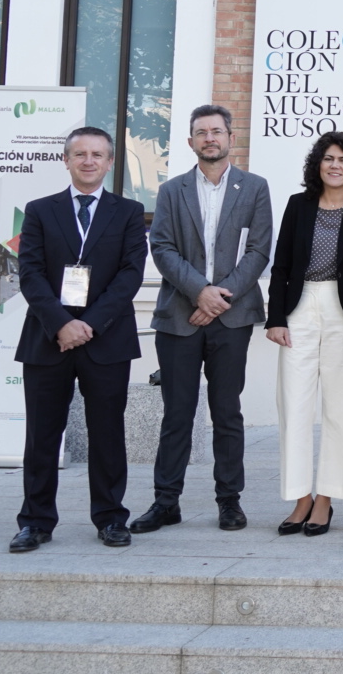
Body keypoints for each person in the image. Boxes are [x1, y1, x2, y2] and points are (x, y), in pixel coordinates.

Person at [132, 105, 272, 534]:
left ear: (231, 137)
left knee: (227, 411)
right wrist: (201, 292)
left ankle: (229, 501)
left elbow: (259, 251)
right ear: (191, 141)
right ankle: (166, 501)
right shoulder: (172, 191)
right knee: (178, 412)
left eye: (217, 131)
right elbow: (163, 248)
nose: (210, 138)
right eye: (201, 132)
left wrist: (220, 297)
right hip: (180, 316)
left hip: (232, 318)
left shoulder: (255, 188)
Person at [9, 127, 148, 553]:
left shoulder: (128, 212)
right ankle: (35, 521)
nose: (89, 161)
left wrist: (88, 323)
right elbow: (28, 272)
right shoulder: (39, 211)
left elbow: (130, 274)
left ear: (109, 163)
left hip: (105, 339)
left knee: (107, 433)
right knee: (42, 435)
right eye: (80, 154)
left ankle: (109, 518)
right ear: (66, 160)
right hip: (48, 338)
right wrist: (61, 324)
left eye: (98, 155)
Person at [264, 131, 343, 537]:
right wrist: (275, 317)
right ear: (318, 164)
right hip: (299, 310)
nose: (335, 165)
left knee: (342, 406)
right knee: (293, 404)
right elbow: (280, 265)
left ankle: (327, 499)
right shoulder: (299, 206)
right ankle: (300, 499)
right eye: (329, 158)